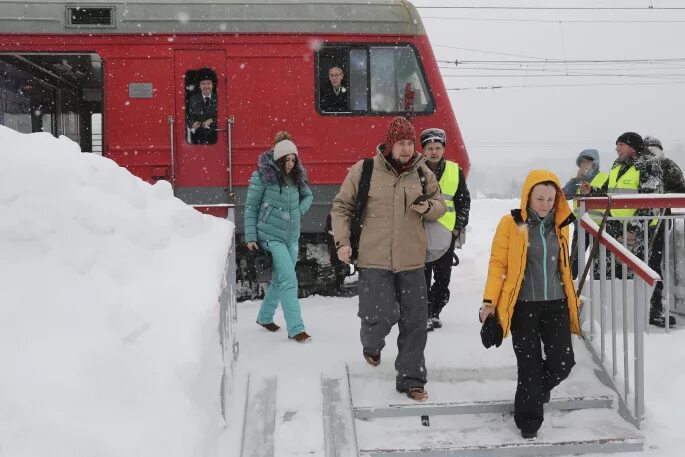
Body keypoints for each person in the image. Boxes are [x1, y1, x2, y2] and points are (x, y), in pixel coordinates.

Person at [331, 116, 446, 401]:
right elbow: (342, 206)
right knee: (378, 316)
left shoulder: (422, 173)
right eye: (400, 143)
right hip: (374, 259)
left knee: (415, 323)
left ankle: (412, 379)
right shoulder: (365, 170)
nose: (406, 149)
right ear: (389, 144)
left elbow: (441, 205)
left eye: (409, 143)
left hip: (412, 261)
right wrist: (343, 242)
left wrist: (428, 206)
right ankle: (371, 345)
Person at [480, 170, 580, 440]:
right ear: (527, 197)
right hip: (523, 307)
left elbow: (562, 266)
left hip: (556, 304)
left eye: (550, 199)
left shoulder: (561, 225)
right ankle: (528, 422)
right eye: (540, 198)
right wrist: (489, 302)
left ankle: (533, 393)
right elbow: (498, 265)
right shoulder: (511, 224)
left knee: (562, 363)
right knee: (529, 367)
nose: (545, 204)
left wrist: (573, 298)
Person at [244, 131, 313, 342]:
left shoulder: (296, 177)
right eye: (287, 160)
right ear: (278, 159)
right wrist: (251, 236)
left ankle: (265, 317)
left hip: (291, 237)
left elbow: (308, 196)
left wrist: (298, 212)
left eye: (294, 159)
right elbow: (251, 207)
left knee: (280, 279)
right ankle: (296, 328)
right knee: (289, 280)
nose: (291, 164)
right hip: (270, 236)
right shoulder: (262, 176)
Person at [580, 132, 663, 281]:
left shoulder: (647, 166)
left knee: (629, 277)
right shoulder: (617, 166)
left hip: (635, 233)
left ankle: (632, 304)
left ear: (633, 147)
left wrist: (633, 229)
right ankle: (604, 304)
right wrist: (591, 190)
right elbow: (607, 191)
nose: (617, 148)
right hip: (612, 227)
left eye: (621, 144)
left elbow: (651, 202)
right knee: (602, 274)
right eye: (616, 145)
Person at [420, 128, 470, 331]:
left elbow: (463, 201)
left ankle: (435, 312)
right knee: (421, 277)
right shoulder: (415, 171)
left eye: (437, 148)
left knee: (442, 278)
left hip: (446, 233)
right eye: (430, 148)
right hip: (420, 233)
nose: (434, 151)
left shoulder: (454, 170)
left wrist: (457, 228)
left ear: (443, 149)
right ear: (423, 150)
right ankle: (422, 313)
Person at [643, 136, 685, 327]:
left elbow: (680, 190)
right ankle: (649, 306)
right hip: (642, 222)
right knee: (649, 264)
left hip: (659, 221)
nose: (652, 153)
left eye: (655, 149)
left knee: (653, 264)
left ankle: (654, 305)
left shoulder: (668, 166)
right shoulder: (640, 166)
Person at [561, 149, 608, 279]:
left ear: (595, 163)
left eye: (587, 162)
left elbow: (606, 195)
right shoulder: (576, 180)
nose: (584, 165)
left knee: (598, 261)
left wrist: (591, 192)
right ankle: (570, 286)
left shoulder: (604, 177)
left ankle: (597, 286)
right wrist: (575, 179)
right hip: (580, 226)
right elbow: (564, 195)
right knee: (574, 260)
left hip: (599, 226)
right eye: (581, 162)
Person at [186, 70, 217, 144]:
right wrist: (193, 124)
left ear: (212, 85)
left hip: (216, 137)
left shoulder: (219, 98)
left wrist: (212, 120)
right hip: (198, 138)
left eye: (208, 84)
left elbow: (223, 117)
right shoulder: (193, 99)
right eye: (203, 84)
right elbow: (189, 117)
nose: (206, 86)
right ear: (199, 86)